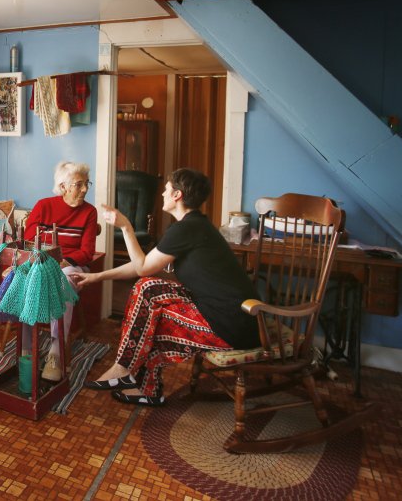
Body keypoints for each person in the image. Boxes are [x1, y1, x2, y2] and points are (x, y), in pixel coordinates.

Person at [72, 168, 259, 406]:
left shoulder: (187, 228)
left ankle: (125, 369)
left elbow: (142, 269)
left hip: (231, 323)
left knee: (147, 291)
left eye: (166, 189)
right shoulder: (190, 226)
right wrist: (97, 277)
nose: (162, 194)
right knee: (149, 292)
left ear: (177, 195)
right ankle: (145, 388)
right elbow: (145, 265)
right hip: (220, 312)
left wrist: (126, 227)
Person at [21, 161, 98, 381]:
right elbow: (29, 241)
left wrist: (64, 261)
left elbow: (87, 252)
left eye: (86, 184)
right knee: (26, 283)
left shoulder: (89, 212)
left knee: (62, 284)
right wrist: (49, 260)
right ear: (63, 186)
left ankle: (55, 353)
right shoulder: (44, 206)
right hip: (43, 262)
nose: (84, 189)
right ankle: (27, 350)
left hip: (72, 265)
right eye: (79, 184)